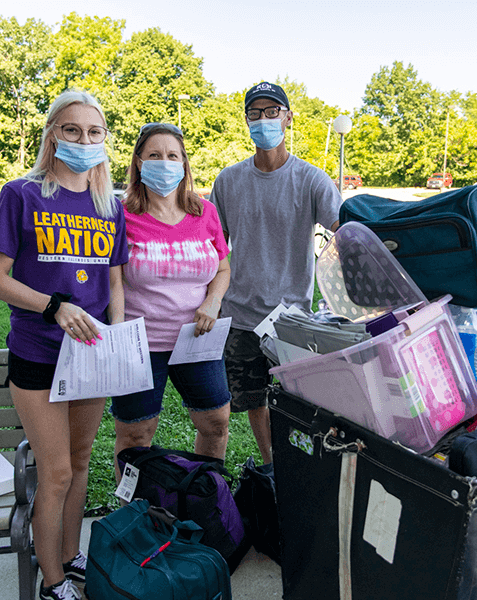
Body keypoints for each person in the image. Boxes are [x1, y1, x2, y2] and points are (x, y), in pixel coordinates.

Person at [0, 89, 128, 600]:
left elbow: (113, 283)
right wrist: (54, 306)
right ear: (52, 135)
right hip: (38, 353)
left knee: (82, 460)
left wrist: (115, 336)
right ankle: (52, 582)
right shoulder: (22, 194)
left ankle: (69, 551)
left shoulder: (110, 205)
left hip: (90, 354)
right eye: (72, 130)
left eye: (94, 132)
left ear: (105, 139)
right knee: (58, 471)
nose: (83, 140)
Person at [211, 81, 342, 468]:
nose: (263, 120)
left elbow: (345, 232)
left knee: (299, 402)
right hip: (241, 317)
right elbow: (215, 249)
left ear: (287, 118)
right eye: (255, 113)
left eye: (272, 112)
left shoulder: (312, 180)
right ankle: (273, 468)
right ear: (246, 121)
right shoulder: (228, 181)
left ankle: (301, 469)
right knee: (254, 402)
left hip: (292, 320)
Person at [111, 122, 232, 468]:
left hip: (197, 339)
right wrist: (118, 332)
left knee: (216, 424)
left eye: (172, 155)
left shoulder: (204, 211)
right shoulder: (122, 215)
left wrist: (213, 302)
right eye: (154, 155)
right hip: (141, 343)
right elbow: (113, 283)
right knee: (136, 436)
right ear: (138, 162)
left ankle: (204, 496)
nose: (164, 162)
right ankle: (134, 514)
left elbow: (222, 269)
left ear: (183, 164)